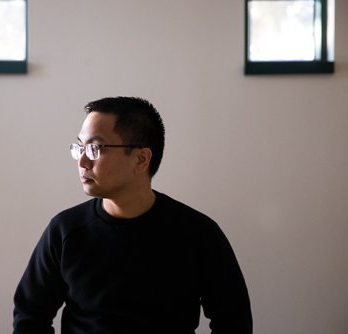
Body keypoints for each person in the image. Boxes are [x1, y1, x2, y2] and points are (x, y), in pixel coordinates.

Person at [13, 97, 252, 334]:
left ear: (141, 159)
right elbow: (30, 316)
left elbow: (233, 322)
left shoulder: (198, 234)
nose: (83, 161)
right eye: (80, 147)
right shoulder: (65, 230)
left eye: (95, 148)